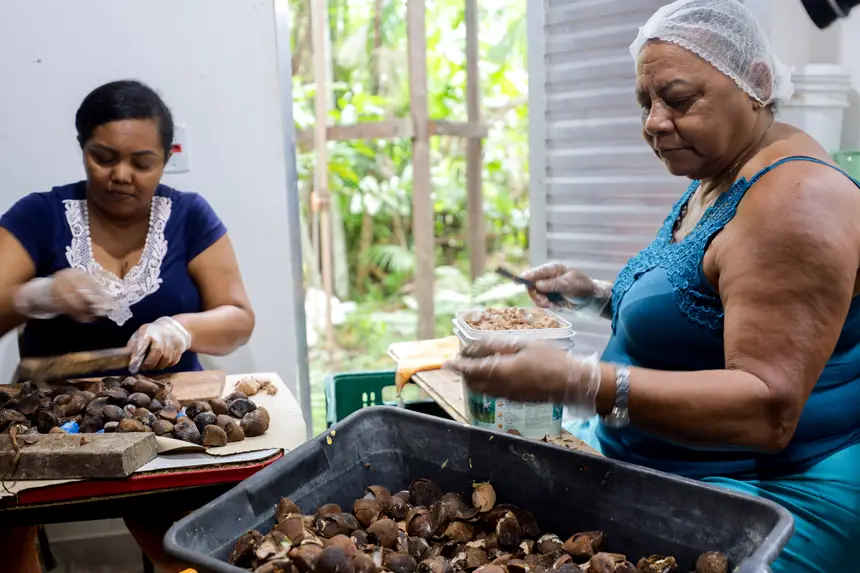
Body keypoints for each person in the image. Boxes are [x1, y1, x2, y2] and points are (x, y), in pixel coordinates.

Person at [447, 2, 860, 572]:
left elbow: (768, 410)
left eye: (679, 99)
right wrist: (595, 294)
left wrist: (579, 382)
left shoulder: (796, 200)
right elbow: (707, 309)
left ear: (758, 84)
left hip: (768, 501)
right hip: (663, 460)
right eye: (645, 103)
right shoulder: (717, 175)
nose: (654, 123)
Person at [0, 80, 255, 571]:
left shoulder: (189, 216)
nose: (122, 175)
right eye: (103, 157)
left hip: (165, 418)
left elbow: (239, 320)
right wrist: (37, 295)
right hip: (50, 420)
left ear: (165, 157)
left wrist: (180, 329)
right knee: (7, 543)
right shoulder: (41, 215)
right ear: (82, 149)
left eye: (143, 162)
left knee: (188, 548)